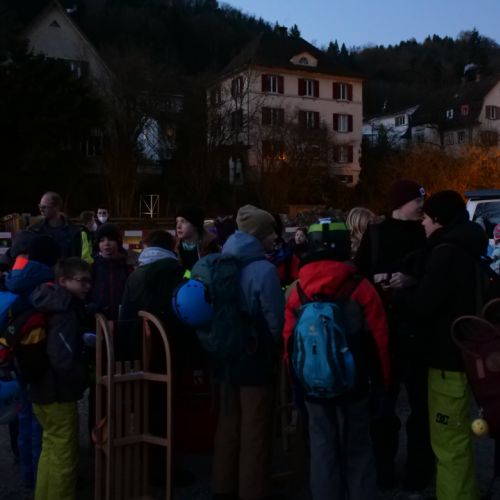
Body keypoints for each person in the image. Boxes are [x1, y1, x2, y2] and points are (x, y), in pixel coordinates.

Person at [282, 221, 391, 500]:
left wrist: (295, 383)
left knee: (321, 447)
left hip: (312, 385)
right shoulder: (361, 287)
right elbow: (379, 339)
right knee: (358, 447)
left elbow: (289, 342)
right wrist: (382, 384)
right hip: (355, 382)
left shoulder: (296, 290)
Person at [393, 190, 487, 500]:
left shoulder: (446, 254)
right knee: (456, 440)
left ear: (439, 220)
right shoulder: (466, 245)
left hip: (446, 361)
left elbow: (424, 306)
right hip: (461, 355)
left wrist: (402, 294)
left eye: (426, 218)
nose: (422, 223)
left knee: (449, 443)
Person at [354, 179, 432, 491]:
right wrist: (378, 279)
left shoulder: (426, 232)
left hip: (416, 330)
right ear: (401, 202)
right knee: (383, 405)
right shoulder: (376, 233)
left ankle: (417, 472)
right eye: (418, 200)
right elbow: (358, 274)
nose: (422, 206)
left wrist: (412, 280)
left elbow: (433, 274)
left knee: (419, 406)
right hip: (381, 330)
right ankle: (383, 469)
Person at [212, 204, 284, 500]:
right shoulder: (264, 270)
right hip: (255, 355)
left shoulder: (221, 261)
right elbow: (274, 319)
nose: (275, 238)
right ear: (257, 235)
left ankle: (222, 486)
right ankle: (252, 491)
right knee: (255, 427)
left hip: (226, 352)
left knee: (228, 423)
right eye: (270, 232)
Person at [29, 257, 92, 500]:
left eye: (89, 281)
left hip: (39, 387)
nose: (87, 286)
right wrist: (83, 375)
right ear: (63, 281)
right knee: (64, 458)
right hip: (58, 392)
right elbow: (61, 357)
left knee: (50, 448)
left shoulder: (46, 301)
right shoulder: (66, 310)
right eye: (82, 281)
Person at [3, 235, 61, 489]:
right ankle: (41, 478)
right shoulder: (45, 278)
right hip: (38, 357)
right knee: (41, 423)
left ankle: (27, 473)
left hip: (17, 357)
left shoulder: (15, 276)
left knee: (25, 416)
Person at [89, 223, 130, 322]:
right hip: (98, 321)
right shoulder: (92, 267)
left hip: (123, 320)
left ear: (118, 242)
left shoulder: (128, 266)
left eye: (111, 239)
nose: (106, 243)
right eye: (102, 240)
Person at [28, 192, 81, 258]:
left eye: (44, 207)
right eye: (40, 206)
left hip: (64, 264)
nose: (41, 210)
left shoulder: (73, 231)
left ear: (57, 207)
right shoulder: (35, 230)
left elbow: (75, 259)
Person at [175, 205, 219, 273]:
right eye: (177, 222)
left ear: (195, 225)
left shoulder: (210, 245)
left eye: (183, 221)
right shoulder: (176, 246)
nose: (178, 226)